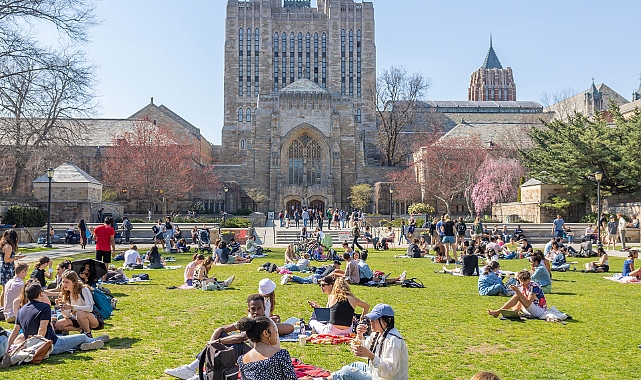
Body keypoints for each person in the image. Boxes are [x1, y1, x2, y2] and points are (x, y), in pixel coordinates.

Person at [164, 294, 294, 380]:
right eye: (252, 309)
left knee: (233, 344)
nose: (255, 312)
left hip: (263, 353)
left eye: (258, 309)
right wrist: (213, 340)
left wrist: (217, 342)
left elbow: (240, 338)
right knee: (224, 338)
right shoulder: (249, 321)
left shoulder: (265, 324)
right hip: (254, 352)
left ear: (264, 308)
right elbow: (222, 329)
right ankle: (198, 368)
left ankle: (203, 371)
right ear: (248, 310)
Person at [301, 303, 409, 380]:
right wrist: (360, 335)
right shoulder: (377, 333)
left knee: (347, 371)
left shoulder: (393, 341)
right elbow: (363, 351)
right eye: (371, 319)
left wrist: (371, 356)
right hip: (376, 373)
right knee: (355, 365)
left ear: (388, 320)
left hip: (384, 377)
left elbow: (390, 372)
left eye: (375, 319)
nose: (371, 322)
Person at [7, 281, 107, 356]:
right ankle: (96, 340)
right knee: (82, 337)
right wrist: (38, 347)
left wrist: (8, 347)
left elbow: (15, 331)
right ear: (40, 294)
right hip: (51, 344)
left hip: (33, 344)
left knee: (70, 340)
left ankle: (81, 346)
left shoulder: (22, 310)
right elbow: (42, 329)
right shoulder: (44, 307)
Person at [54, 270, 103, 337]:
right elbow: (67, 316)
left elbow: (90, 308)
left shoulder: (84, 289)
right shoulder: (67, 293)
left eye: (67, 282)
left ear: (74, 282)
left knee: (80, 313)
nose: (64, 284)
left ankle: (88, 334)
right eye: (63, 282)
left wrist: (72, 307)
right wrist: (62, 308)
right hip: (77, 318)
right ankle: (82, 329)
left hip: (93, 317)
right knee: (58, 324)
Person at [1, 229, 25, 306]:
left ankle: (3, 306)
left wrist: (16, 256)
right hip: (7, 269)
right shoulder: (9, 246)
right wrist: (17, 258)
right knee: (5, 289)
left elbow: (7, 256)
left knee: (4, 289)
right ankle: (4, 306)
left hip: (4, 268)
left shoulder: (4, 244)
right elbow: (6, 260)